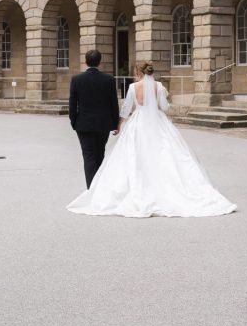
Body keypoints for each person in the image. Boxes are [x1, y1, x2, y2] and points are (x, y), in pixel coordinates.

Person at [67, 59, 236, 218]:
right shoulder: (159, 86)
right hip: (158, 123)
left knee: (135, 156)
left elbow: (126, 109)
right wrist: (163, 98)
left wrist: (119, 125)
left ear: (138, 72)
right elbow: (164, 107)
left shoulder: (133, 87)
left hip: (138, 123)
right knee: (166, 155)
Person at [69, 49, 119, 188]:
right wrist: (115, 124)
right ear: (100, 61)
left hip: (83, 125)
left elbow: (72, 104)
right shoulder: (109, 80)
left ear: (85, 62)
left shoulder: (76, 79)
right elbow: (113, 104)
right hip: (103, 124)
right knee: (100, 154)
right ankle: (100, 187)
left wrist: (74, 122)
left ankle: (91, 189)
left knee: (88, 157)